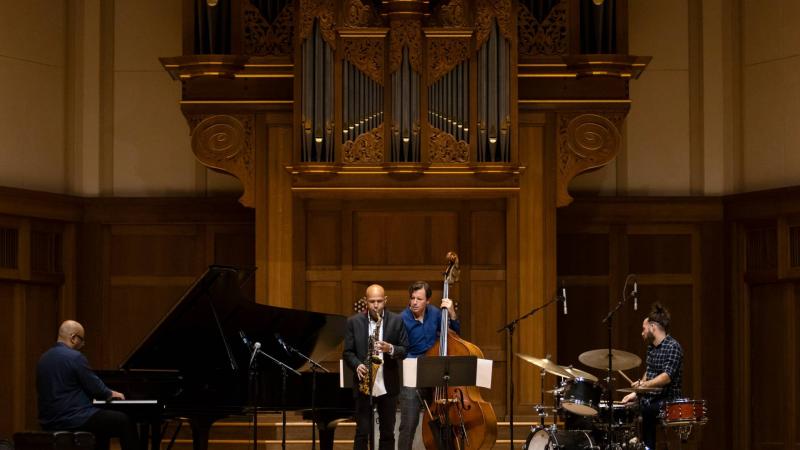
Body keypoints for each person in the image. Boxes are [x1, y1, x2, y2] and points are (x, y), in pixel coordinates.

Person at [37, 320, 138, 450]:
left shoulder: (43, 359)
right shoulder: (75, 357)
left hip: (49, 420)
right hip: (74, 418)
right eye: (82, 340)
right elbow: (97, 390)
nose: (83, 344)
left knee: (103, 423)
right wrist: (112, 393)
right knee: (124, 420)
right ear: (73, 338)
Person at [343, 284, 408, 450]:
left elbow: (404, 350)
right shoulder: (353, 322)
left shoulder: (396, 321)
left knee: (387, 433)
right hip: (364, 385)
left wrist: (390, 348)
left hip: (388, 385)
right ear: (366, 301)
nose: (376, 305)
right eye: (372, 301)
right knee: (362, 432)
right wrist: (357, 365)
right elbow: (348, 352)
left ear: (385, 300)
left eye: (379, 301)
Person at [397, 281, 460, 450]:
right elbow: (400, 350)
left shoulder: (435, 313)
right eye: (412, 298)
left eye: (419, 299)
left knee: (442, 420)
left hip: (435, 374)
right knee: (408, 424)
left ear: (428, 301)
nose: (414, 302)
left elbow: (455, 334)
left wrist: (452, 314)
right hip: (413, 375)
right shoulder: (402, 319)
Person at [621, 303, 683, 450]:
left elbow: (666, 377)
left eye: (644, 328)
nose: (642, 332)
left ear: (652, 327)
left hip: (669, 400)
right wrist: (635, 393)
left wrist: (644, 386)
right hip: (652, 398)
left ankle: (648, 447)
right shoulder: (651, 348)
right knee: (624, 408)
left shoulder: (673, 346)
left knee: (647, 411)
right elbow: (649, 373)